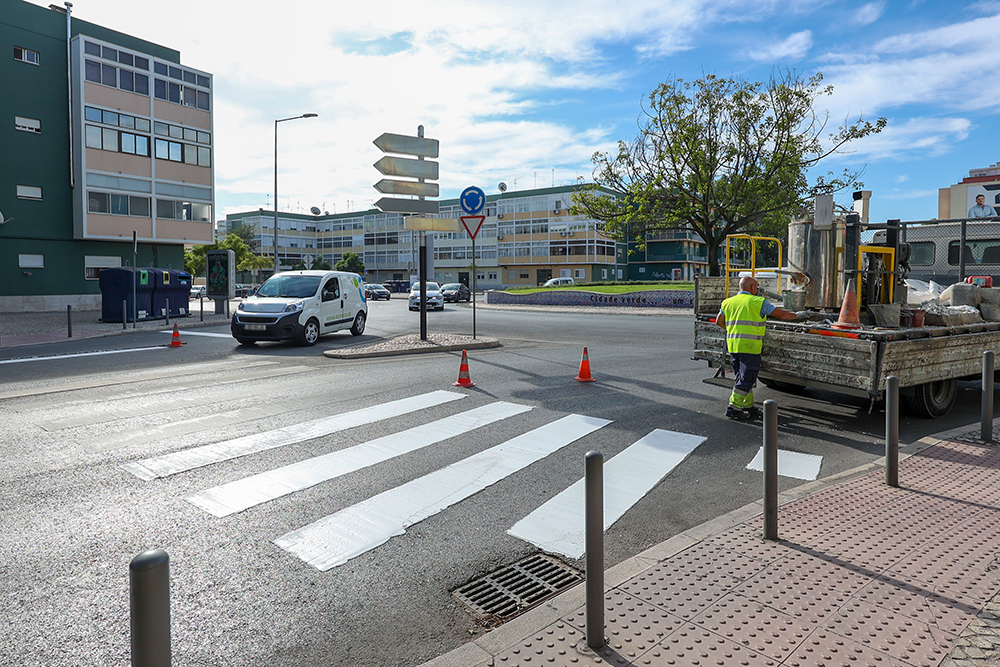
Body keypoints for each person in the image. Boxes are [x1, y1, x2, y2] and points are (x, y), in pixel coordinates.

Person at [716, 276, 799, 420]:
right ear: (752, 288)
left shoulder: (728, 302)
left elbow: (719, 321)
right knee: (747, 378)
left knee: (742, 378)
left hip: (734, 345)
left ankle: (748, 406)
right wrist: (799, 315)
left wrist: (734, 329)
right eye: (756, 287)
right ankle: (733, 407)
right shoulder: (758, 302)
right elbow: (783, 315)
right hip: (750, 346)